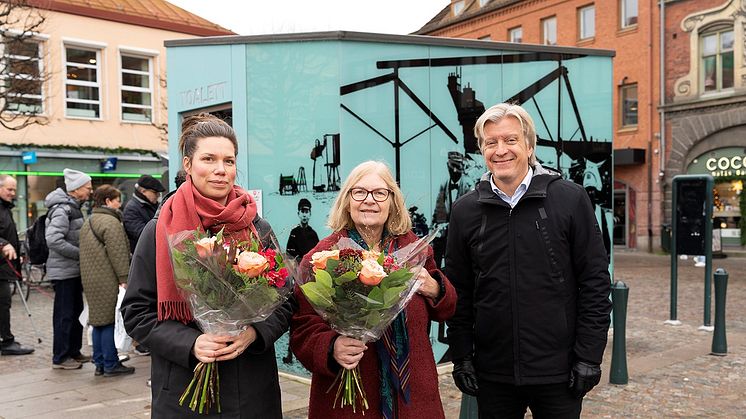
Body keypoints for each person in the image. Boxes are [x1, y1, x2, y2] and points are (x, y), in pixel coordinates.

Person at [121, 113, 294, 417]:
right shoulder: (161, 228)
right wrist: (191, 343)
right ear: (188, 164)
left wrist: (254, 332)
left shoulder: (256, 226)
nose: (220, 170)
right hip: (184, 392)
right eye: (209, 159)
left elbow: (286, 299)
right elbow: (136, 312)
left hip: (252, 391)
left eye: (229, 161)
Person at [445, 103, 612, 418]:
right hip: (493, 372)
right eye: (491, 142)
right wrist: (462, 355)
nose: (500, 150)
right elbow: (460, 289)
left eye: (510, 140)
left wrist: (589, 355)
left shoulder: (570, 199)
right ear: (482, 150)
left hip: (558, 371)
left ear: (529, 146)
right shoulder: (465, 210)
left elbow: (595, 282)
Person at [291, 160, 456, 419]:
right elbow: (302, 328)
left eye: (380, 193)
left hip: (414, 399)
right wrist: (332, 347)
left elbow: (448, 308)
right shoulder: (322, 256)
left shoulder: (414, 251)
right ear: (347, 200)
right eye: (359, 192)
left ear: (392, 201)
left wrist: (435, 288)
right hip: (348, 401)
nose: (369, 200)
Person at [80, 185, 135, 377]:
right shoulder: (110, 223)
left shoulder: (89, 221)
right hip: (108, 279)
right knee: (110, 321)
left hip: (91, 278)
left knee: (98, 321)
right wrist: (124, 278)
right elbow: (118, 253)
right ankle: (111, 363)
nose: (120, 204)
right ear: (108, 201)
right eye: (117, 200)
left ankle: (100, 363)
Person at [46, 168, 93, 370]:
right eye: (88, 187)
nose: (90, 191)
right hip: (63, 271)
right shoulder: (62, 209)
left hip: (71, 270)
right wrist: (79, 253)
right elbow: (53, 239)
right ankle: (61, 356)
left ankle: (73, 351)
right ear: (76, 189)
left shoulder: (73, 206)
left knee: (75, 311)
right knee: (65, 314)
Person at [0, 175, 34, 356]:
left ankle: (6, 339)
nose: (13, 193)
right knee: (3, 303)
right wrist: (2, 244)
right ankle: (6, 342)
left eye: (14, 190)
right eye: (9, 189)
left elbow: (10, 234)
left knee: (4, 303)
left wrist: (19, 253)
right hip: (1, 268)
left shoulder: (6, 209)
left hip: (5, 266)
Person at [431, 151, 471, 268]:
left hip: (461, 233)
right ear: (447, 166)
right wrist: (435, 228)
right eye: (452, 167)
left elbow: (469, 214)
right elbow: (439, 209)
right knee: (435, 252)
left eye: (457, 167)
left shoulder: (468, 185)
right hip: (445, 235)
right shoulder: (444, 184)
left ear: (462, 168)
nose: (454, 171)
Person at [123, 174, 165, 254]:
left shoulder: (153, 205)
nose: (158, 195)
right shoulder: (131, 209)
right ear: (143, 191)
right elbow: (142, 234)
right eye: (155, 192)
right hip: (143, 255)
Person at [286, 198, 319, 263]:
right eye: (302, 212)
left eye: (306, 212)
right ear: (298, 213)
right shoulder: (294, 232)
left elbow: (317, 253)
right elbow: (289, 253)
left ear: (310, 214)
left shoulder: (313, 234)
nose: (304, 215)